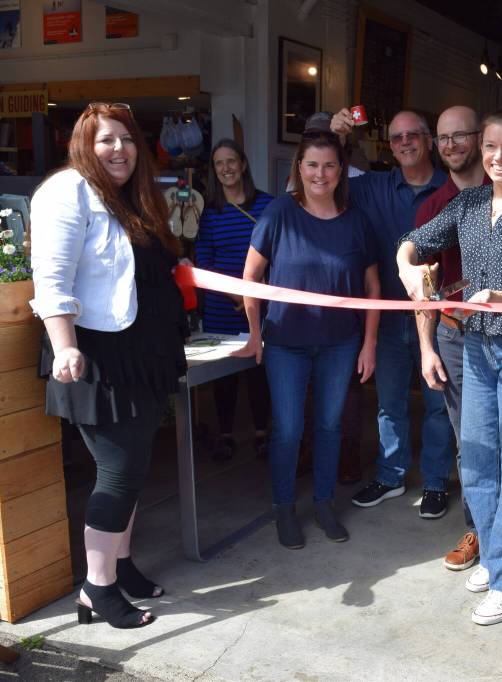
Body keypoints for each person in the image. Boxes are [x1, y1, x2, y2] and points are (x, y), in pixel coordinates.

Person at [397, 108, 502, 625]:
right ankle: (496, 557)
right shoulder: (467, 203)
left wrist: (498, 296)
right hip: (475, 346)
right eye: (491, 146)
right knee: (477, 459)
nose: (498, 157)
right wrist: (407, 263)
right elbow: (418, 238)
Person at [30, 102, 187, 628]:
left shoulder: (130, 200)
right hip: (95, 356)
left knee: (135, 469)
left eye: (126, 139)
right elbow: (51, 278)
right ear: (83, 145)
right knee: (118, 474)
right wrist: (65, 345)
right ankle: (96, 590)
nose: (119, 149)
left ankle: (119, 567)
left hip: (140, 354)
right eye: (105, 140)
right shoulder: (67, 191)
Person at [234, 127, 380, 550]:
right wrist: (256, 334)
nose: (320, 174)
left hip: (340, 343)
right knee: (289, 428)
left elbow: (373, 289)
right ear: (300, 168)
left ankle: (323, 502)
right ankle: (284, 508)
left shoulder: (357, 221)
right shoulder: (279, 213)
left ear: (341, 171)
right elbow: (251, 278)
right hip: (286, 343)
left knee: (330, 425)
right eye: (312, 164)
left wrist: (369, 344)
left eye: (329, 165)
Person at [330, 108, 454, 518]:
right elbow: (318, 181)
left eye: (412, 135)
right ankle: (391, 475)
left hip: (440, 318)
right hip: (387, 318)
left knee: (439, 404)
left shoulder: (453, 187)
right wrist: (336, 138)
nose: (404, 143)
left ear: (429, 141)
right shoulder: (374, 187)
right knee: (389, 402)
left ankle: (437, 481)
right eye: (396, 137)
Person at [195, 138, 273, 460]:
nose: (226, 168)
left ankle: (262, 433)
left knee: (258, 371)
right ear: (214, 171)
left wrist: (257, 291)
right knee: (223, 376)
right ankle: (225, 434)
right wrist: (236, 294)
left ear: (242, 165)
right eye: (219, 163)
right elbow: (203, 262)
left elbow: (278, 252)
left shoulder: (267, 205)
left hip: (262, 304)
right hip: (222, 307)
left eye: (231, 161)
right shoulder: (209, 214)